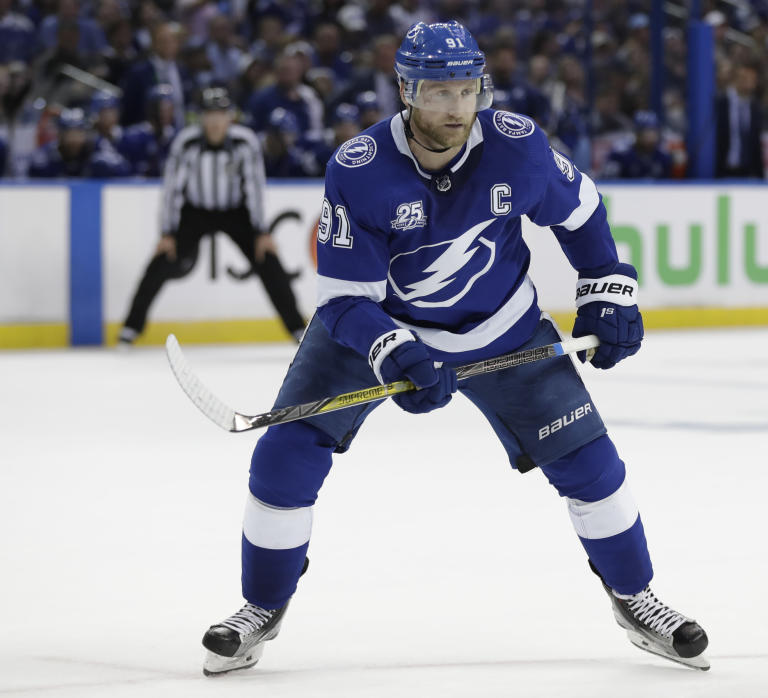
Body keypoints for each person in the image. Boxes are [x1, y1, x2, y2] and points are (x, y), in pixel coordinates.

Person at [199, 21, 709, 677]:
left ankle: (636, 598)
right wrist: (395, 350)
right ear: (406, 90)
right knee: (283, 458)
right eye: (439, 93)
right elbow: (343, 300)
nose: (456, 109)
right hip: (377, 326)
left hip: (503, 325)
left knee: (592, 465)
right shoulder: (358, 170)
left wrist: (607, 289)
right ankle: (261, 608)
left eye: (466, 91)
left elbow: (581, 212)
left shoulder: (517, 149)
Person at [117, 87, 306, 345]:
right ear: (201, 118)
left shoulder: (245, 142)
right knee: (161, 261)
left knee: (268, 260)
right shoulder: (186, 143)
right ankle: (130, 329)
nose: (216, 121)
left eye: (221, 115)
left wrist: (261, 231)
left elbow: (254, 187)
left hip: (234, 211)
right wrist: (167, 233)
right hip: (196, 211)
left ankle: (297, 329)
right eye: (210, 115)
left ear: (230, 117)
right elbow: (172, 189)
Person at [715, 62, 765, 179]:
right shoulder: (721, 103)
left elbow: (756, 144)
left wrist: (761, 176)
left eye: (752, 79)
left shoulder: (755, 107)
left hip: (747, 173)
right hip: (723, 172)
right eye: (744, 78)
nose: (749, 82)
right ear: (735, 79)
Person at [603, 110, 673, 179]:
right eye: (646, 132)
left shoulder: (663, 154)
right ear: (637, 134)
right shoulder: (620, 153)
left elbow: (669, 184)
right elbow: (609, 181)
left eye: (654, 132)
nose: (651, 136)